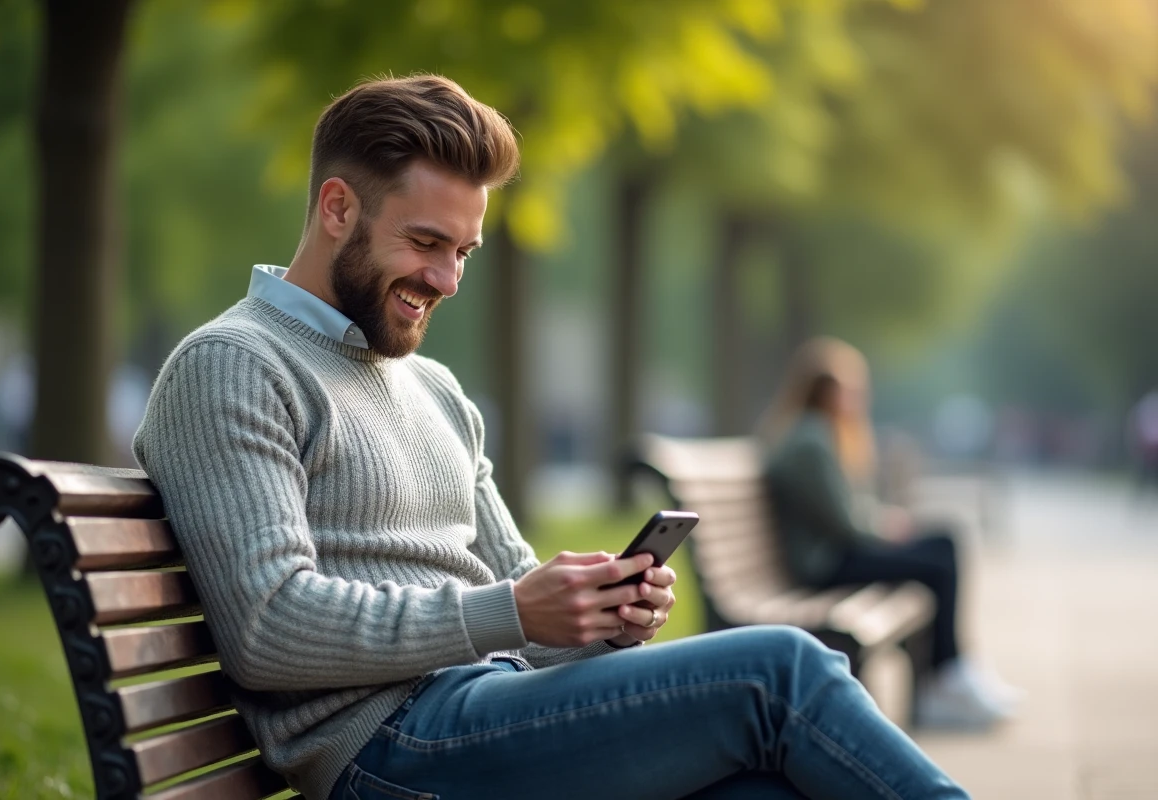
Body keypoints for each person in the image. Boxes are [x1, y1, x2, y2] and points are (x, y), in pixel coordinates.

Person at [133, 76, 968, 800]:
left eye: (463, 251)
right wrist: (507, 611)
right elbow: (268, 625)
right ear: (338, 207)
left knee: (772, 788)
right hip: (391, 754)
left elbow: (512, 603)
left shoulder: (433, 388)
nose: (446, 280)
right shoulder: (235, 364)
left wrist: (596, 619)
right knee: (783, 672)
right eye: (425, 243)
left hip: (488, 716)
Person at [759, 337, 1021, 730]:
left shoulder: (814, 434)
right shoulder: (811, 441)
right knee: (937, 561)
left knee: (943, 542)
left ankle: (952, 673)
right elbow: (844, 524)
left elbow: (842, 509)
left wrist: (884, 522)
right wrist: (884, 528)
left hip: (834, 553)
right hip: (825, 564)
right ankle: (949, 677)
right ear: (828, 392)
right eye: (849, 391)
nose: (856, 400)